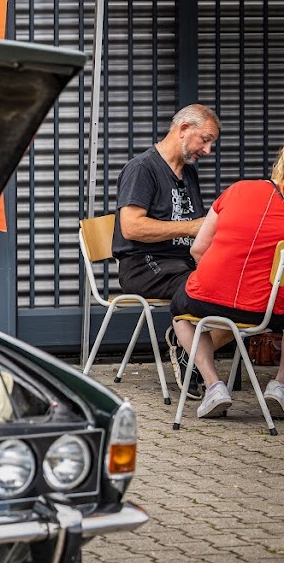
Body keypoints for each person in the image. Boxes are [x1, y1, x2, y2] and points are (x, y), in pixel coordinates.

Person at [112, 103, 219, 398]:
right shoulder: (142, 168)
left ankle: (185, 347)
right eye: (205, 140)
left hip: (182, 262)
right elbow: (131, 227)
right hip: (142, 265)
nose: (208, 150)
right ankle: (204, 371)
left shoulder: (189, 174)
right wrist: (190, 227)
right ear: (183, 129)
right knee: (197, 288)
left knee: (234, 291)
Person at [171, 144, 284, 419]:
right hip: (267, 308)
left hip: (208, 297)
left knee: (179, 314)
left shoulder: (238, 189)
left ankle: (214, 386)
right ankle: (280, 386)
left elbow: (198, 249)